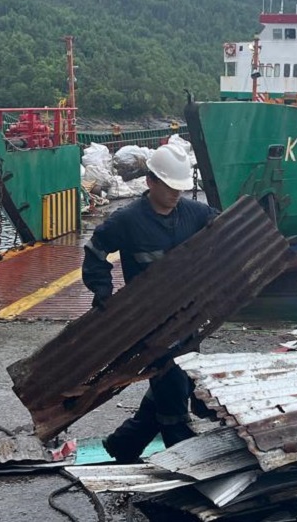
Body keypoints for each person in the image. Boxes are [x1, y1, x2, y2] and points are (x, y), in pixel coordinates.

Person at [81, 143, 218, 462]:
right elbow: (96, 251)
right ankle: (184, 456)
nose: (175, 194)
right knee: (171, 385)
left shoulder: (194, 213)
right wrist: (102, 289)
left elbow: (224, 230)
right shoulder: (128, 220)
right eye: (169, 187)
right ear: (151, 182)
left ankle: (124, 445)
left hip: (188, 316)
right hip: (150, 322)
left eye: (180, 188)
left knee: (175, 381)